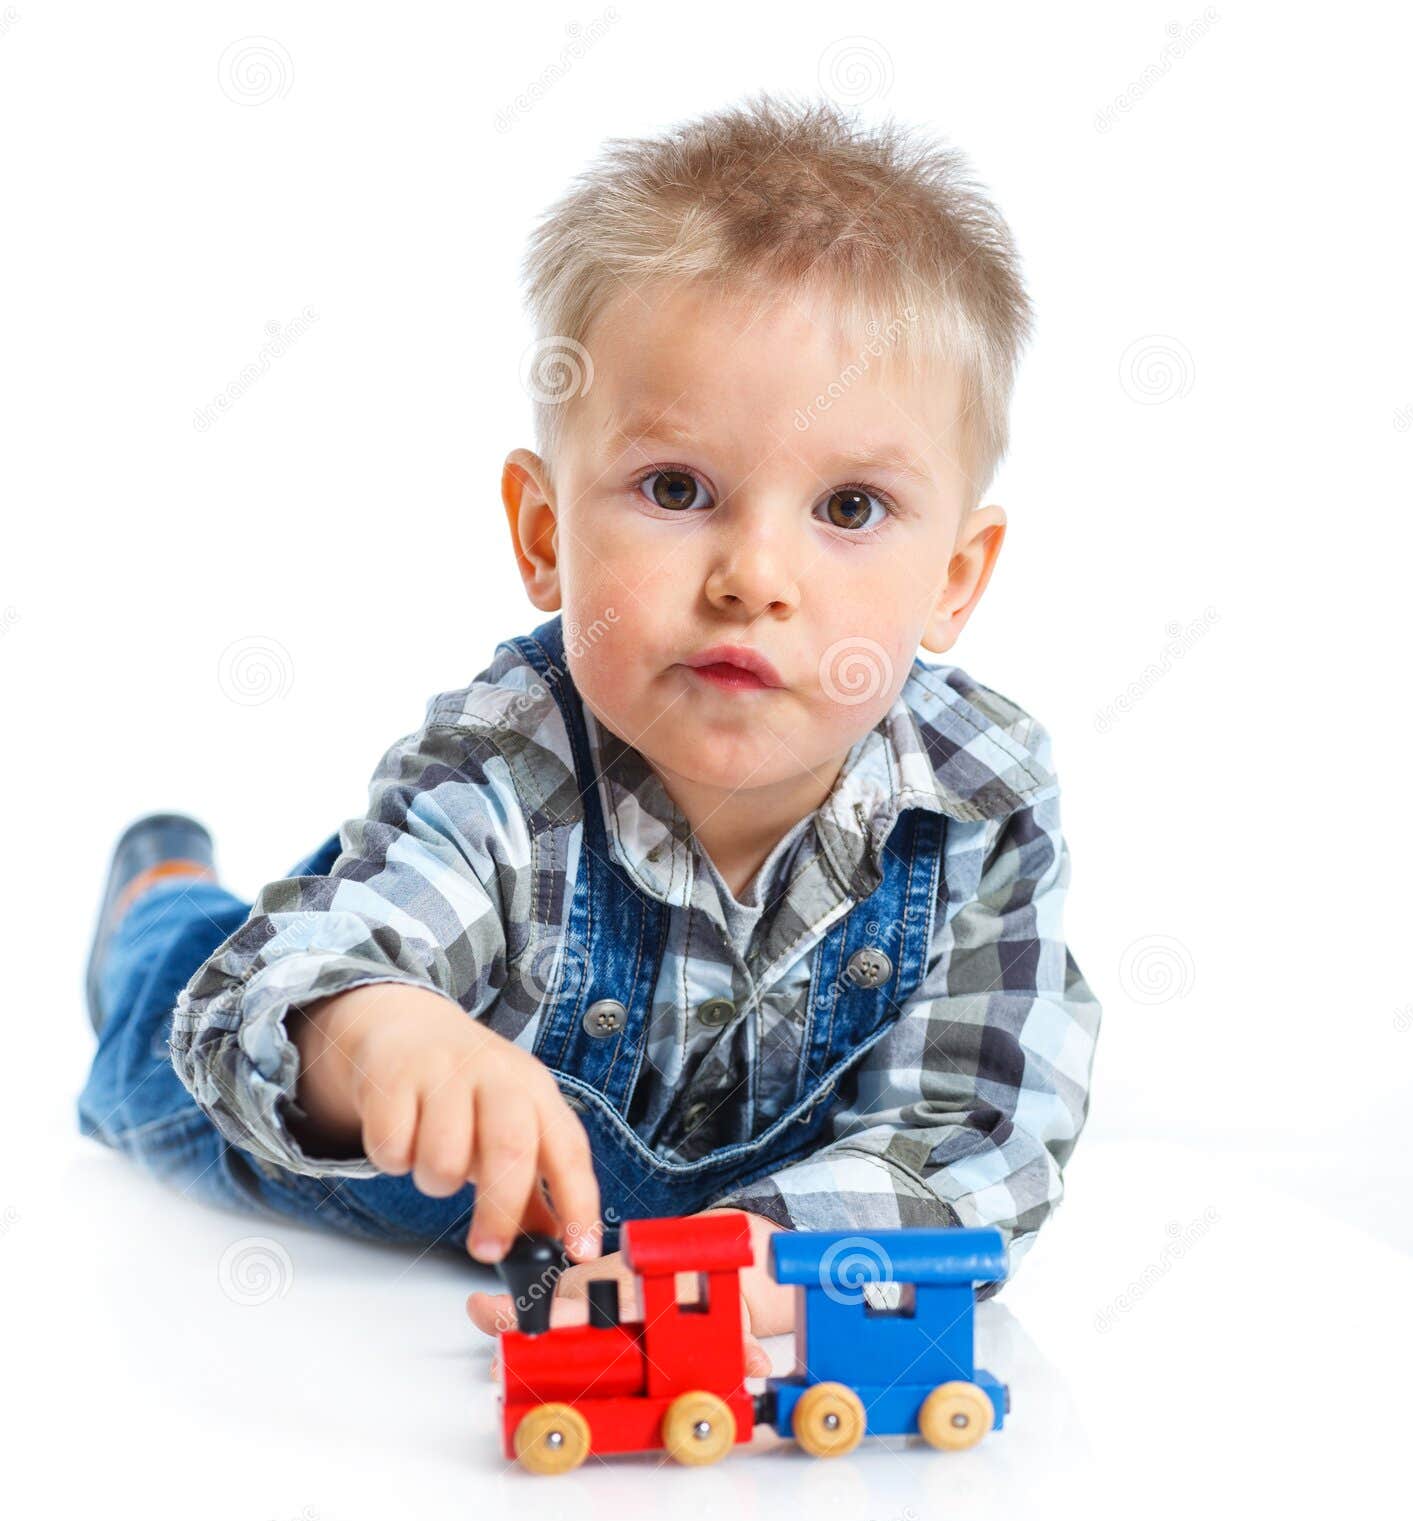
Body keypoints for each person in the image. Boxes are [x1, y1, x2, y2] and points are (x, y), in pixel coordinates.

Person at [79, 94, 1102, 1363]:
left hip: (704, 1249)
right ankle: (161, 899)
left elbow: (979, 1136)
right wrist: (375, 1032)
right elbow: (276, 997)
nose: (754, 576)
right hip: (343, 1142)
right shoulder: (508, 765)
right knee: (173, 1018)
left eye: (850, 505)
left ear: (957, 575)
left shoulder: (977, 803)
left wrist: (734, 1270)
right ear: (546, 531)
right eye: (678, 489)